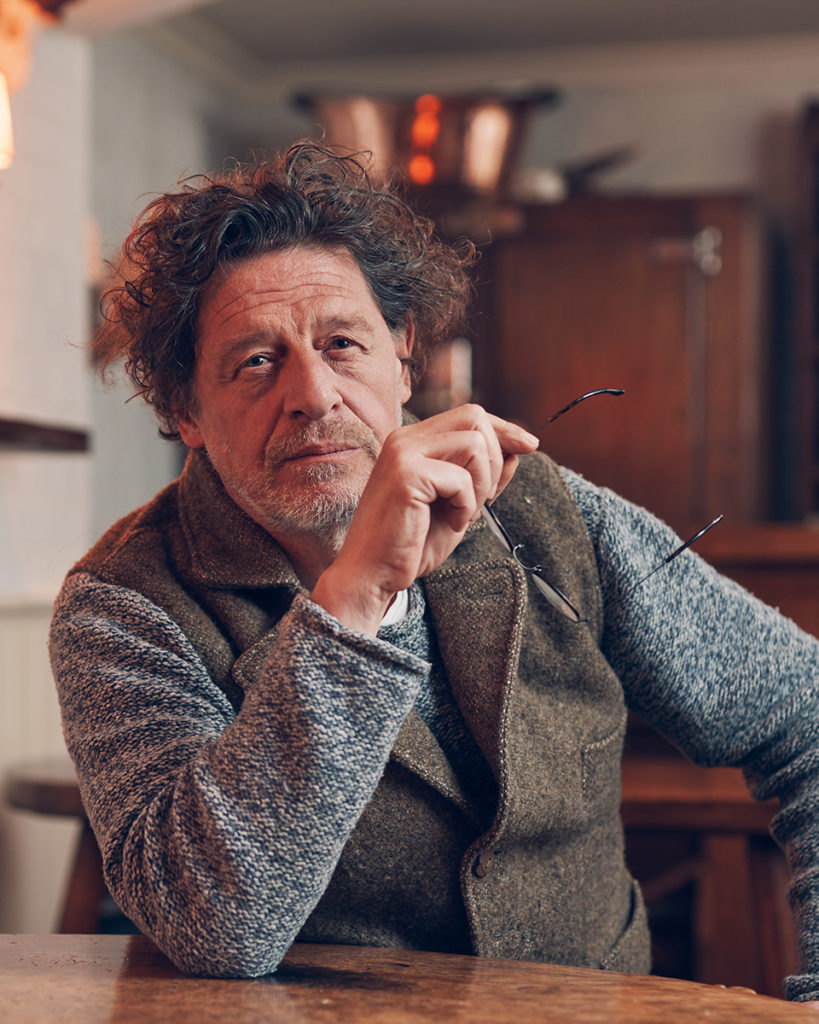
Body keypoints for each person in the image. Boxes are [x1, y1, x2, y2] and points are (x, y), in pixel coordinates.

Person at [49, 140, 819, 1002]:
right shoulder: (122, 606)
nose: (313, 394)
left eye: (342, 343)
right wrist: (357, 599)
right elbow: (215, 925)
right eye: (256, 361)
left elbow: (804, 714)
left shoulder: (548, 512)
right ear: (183, 410)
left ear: (404, 355)